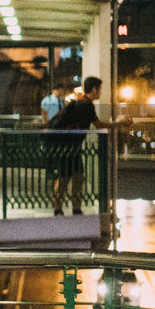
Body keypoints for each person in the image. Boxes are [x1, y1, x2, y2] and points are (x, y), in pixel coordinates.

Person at [45, 75, 115, 215]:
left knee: (76, 176)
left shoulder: (81, 102)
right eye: (100, 89)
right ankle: (62, 208)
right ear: (94, 89)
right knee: (66, 178)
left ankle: (71, 207)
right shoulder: (86, 104)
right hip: (69, 146)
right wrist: (119, 124)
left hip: (69, 146)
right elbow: (99, 124)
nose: (100, 92)